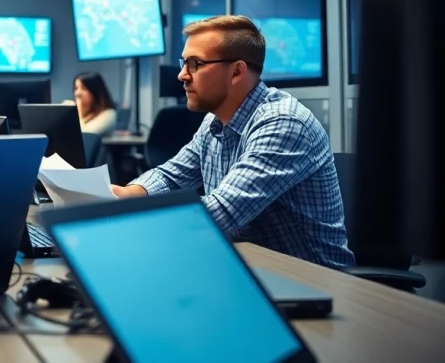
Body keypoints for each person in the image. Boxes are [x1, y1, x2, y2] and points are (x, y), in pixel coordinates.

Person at [111, 16, 353, 268]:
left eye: (195, 64)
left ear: (237, 71)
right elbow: (171, 176)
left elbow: (220, 213)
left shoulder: (283, 122)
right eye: (184, 63)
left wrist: (124, 217)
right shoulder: (214, 120)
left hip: (312, 282)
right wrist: (128, 193)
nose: (182, 75)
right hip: (246, 267)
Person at [73, 72, 117, 137]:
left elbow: (85, 135)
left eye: (83, 88)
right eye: (76, 88)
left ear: (95, 92)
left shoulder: (108, 114)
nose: (77, 93)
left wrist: (76, 112)